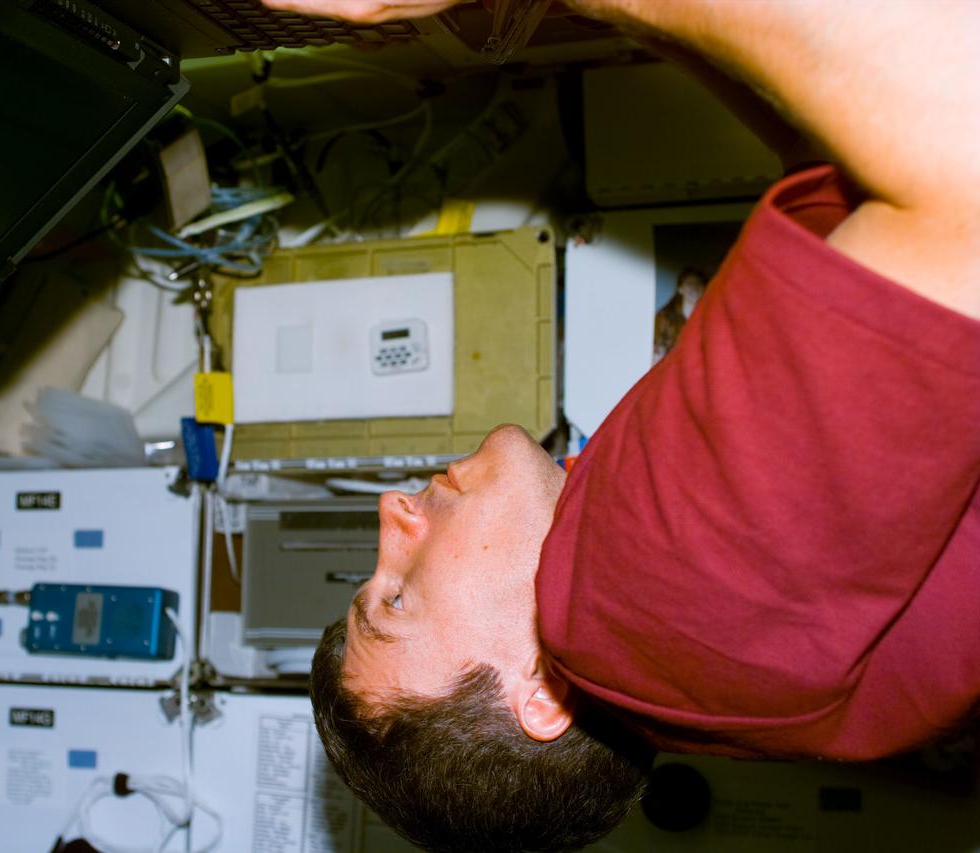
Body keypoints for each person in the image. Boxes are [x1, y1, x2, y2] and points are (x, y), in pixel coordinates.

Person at [263, 0, 980, 851]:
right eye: (398, 594)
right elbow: (962, 156)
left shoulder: (671, 633)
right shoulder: (644, 610)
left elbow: (838, 175)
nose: (391, 512)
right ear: (542, 695)